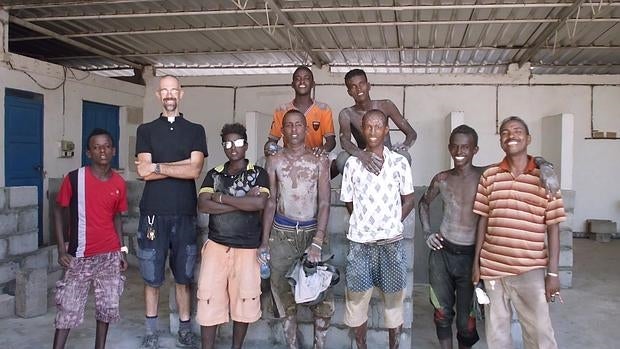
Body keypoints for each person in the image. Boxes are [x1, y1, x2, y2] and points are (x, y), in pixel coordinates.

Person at [419, 125, 561, 349]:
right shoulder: (442, 179)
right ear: (448, 148)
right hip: (442, 254)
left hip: (471, 256)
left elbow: (521, 158)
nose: (459, 151)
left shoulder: (487, 175)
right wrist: (427, 231)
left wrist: (545, 165)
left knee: (467, 319)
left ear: (475, 149)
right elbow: (424, 203)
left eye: (465, 147)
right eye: (455, 146)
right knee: (441, 310)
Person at [472, 116, 565, 349]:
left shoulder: (545, 180)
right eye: (504, 132)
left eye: (517, 131)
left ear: (528, 138)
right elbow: (483, 219)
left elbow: (553, 227)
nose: (510, 136)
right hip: (493, 270)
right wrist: (477, 264)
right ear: (501, 141)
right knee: (497, 334)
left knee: (540, 334)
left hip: (530, 269)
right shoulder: (490, 176)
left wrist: (552, 274)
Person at [135, 75, 208, 349]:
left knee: (183, 277)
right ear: (158, 96)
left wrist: (157, 166)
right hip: (152, 214)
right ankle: (151, 330)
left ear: (181, 94)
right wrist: (179, 166)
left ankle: (184, 330)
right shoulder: (146, 130)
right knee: (151, 277)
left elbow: (195, 170)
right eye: (164, 91)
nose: (169, 95)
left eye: (173, 90)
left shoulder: (195, 130)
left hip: (185, 213)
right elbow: (142, 172)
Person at [340, 109, 415, 349]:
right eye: (368, 127)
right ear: (362, 130)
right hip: (360, 245)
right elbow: (348, 201)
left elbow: (409, 200)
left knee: (393, 302)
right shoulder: (353, 164)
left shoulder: (399, 163)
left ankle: (393, 345)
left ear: (386, 130)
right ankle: (361, 345)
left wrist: (393, 221)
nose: (373, 131)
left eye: (378, 127)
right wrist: (362, 223)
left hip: (391, 245)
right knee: (357, 301)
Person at [260, 109, 333, 349]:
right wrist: (264, 241)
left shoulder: (319, 160)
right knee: (282, 292)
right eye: (288, 126)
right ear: (281, 131)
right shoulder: (274, 161)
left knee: (322, 295)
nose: (293, 130)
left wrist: (318, 240)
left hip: (313, 232)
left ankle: (318, 346)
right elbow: (271, 200)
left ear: (306, 129)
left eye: (299, 125)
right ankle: (292, 345)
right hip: (282, 233)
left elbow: (324, 202)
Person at [52, 128, 128, 349]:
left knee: (106, 308)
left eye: (106, 146)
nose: (102, 150)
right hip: (79, 256)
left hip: (110, 257)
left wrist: (122, 251)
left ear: (113, 150)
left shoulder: (119, 183)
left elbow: (117, 218)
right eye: (96, 147)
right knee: (67, 309)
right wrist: (60, 250)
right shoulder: (75, 179)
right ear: (88, 152)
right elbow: (58, 211)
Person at [196, 123, 269, 349]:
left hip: (248, 248)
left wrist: (221, 198)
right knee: (208, 299)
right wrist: (243, 202)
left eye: (237, 142)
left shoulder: (258, 173)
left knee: (244, 301)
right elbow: (202, 205)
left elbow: (260, 203)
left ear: (246, 145)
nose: (233, 147)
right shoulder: (214, 174)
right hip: (217, 247)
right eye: (227, 143)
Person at [336, 68, 417, 175]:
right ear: (349, 92)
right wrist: (361, 155)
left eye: (362, 84)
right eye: (353, 87)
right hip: (364, 155)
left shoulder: (386, 105)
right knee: (342, 159)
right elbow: (344, 141)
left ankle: (399, 190)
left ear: (368, 86)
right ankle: (354, 188)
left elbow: (411, 133)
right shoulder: (346, 114)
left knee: (405, 156)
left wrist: (404, 146)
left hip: (386, 153)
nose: (359, 89)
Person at [264, 66, 336, 157]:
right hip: (289, 157)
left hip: (315, 156)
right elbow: (272, 141)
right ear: (292, 84)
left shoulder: (324, 109)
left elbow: (331, 141)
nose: (302, 82)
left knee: (334, 159)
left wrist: (321, 150)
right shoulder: (281, 110)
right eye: (298, 79)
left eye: (306, 78)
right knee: (264, 161)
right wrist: (270, 149)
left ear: (313, 84)